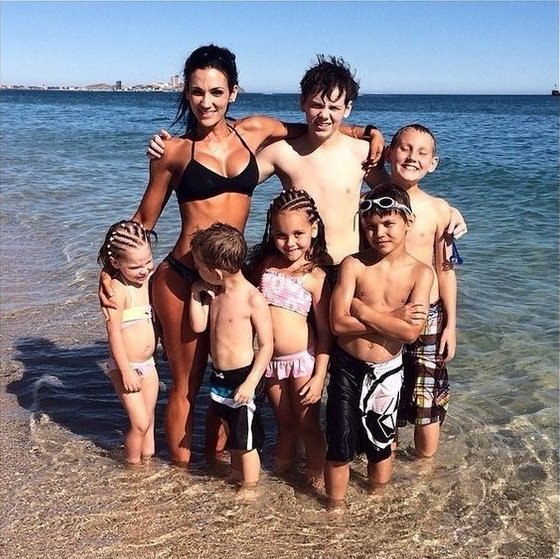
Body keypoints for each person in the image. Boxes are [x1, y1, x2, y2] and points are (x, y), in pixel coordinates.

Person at [100, 45, 383, 467]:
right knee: (186, 385)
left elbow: (314, 125)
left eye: (216, 92)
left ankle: (216, 471)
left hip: (233, 280)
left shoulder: (254, 131)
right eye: (197, 92)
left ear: (233, 91)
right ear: (186, 93)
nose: (206, 102)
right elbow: (143, 220)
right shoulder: (173, 152)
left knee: (228, 374)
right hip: (182, 277)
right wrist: (109, 270)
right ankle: (178, 478)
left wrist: (368, 131)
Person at [149, 55, 467, 286]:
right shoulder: (281, 152)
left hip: (347, 268)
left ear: (348, 109)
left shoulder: (361, 153)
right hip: (297, 270)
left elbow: (398, 197)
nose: (324, 115)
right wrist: (177, 155)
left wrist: (446, 212)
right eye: (316, 105)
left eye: (334, 107)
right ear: (302, 103)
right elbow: (227, 183)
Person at [327, 183, 433, 511]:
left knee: (381, 442)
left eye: (388, 224)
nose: (379, 233)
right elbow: (338, 324)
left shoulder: (421, 273)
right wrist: (392, 317)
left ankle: (377, 504)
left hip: (387, 370)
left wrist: (364, 311)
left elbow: (411, 333)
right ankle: (334, 509)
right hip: (347, 366)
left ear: (408, 222)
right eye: (371, 226)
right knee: (340, 441)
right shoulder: (353, 265)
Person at [247, 190, 332, 488]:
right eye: (281, 235)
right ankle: (281, 481)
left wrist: (319, 377)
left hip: (303, 363)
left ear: (314, 229)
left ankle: (316, 482)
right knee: (284, 424)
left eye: (298, 233)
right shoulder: (265, 265)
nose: (290, 242)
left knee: (308, 426)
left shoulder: (315, 276)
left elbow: (325, 334)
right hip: (270, 363)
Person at [385, 124, 458, 458]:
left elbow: (446, 269)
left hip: (428, 315)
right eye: (404, 148)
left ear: (433, 163)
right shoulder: (371, 203)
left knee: (426, 397)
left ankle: (425, 471)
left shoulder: (439, 210)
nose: (412, 157)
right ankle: (385, 462)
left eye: (422, 152)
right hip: (385, 312)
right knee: (386, 392)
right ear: (389, 154)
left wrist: (450, 325)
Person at [189, 223, 273, 496]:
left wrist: (251, 383)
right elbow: (199, 326)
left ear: (216, 272)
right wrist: (196, 294)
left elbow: (267, 345)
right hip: (219, 376)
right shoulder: (215, 293)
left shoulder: (252, 299)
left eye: (199, 267)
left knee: (246, 440)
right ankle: (237, 473)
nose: (196, 271)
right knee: (231, 431)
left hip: (243, 377)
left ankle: (251, 487)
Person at [97, 220, 159, 465]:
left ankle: (149, 463)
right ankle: (132, 469)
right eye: (135, 266)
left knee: (149, 421)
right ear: (115, 263)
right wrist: (125, 371)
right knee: (139, 423)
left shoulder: (148, 282)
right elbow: (113, 333)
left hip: (149, 365)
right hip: (127, 366)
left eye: (148, 262)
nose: (144, 270)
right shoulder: (118, 290)